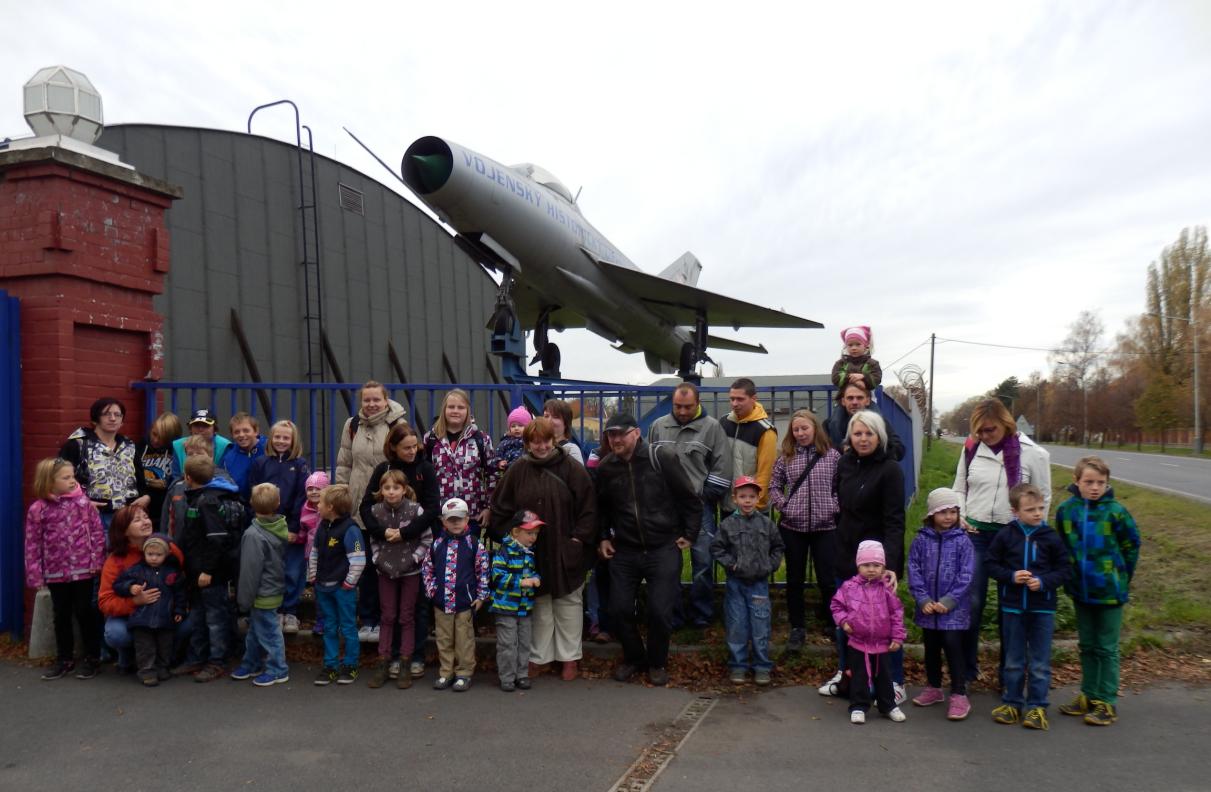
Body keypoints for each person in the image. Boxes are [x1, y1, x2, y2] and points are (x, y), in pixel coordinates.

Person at [596, 413, 702, 687]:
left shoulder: (661, 458)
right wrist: (603, 537)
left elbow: (689, 498)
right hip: (626, 550)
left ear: (637, 433)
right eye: (611, 435)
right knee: (618, 609)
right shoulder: (607, 468)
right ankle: (634, 658)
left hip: (662, 547)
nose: (615, 439)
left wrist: (689, 534)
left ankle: (656, 663)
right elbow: (601, 508)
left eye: (621, 433)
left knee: (659, 610)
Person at [488, 417, 597, 681]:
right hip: (529, 550)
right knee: (539, 603)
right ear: (527, 443)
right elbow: (500, 507)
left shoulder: (572, 468)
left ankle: (570, 657)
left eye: (546, 440)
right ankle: (539, 656)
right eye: (535, 442)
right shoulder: (518, 470)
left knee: (568, 602)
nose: (541, 446)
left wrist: (578, 541)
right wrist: (510, 541)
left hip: (564, 545)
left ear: (554, 440)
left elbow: (589, 508)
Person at [953, 398, 1051, 685]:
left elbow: (1042, 498)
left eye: (990, 430)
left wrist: (1034, 533)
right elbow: (959, 487)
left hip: (1014, 538)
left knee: (1011, 608)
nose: (984, 436)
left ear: (1006, 424)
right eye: (979, 431)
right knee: (971, 603)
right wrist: (961, 513)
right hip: (976, 535)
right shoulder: (971, 448)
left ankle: (1009, 673)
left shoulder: (1033, 454)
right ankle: (967, 671)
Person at [1054, 456, 1141, 727]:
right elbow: (1062, 546)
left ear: (1107, 483)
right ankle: (1088, 694)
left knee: (1106, 648)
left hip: (1110, 592)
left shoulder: (1116, 511)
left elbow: (1131, 546)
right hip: (1080, 591)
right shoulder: (1066, 511)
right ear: (1076, 481)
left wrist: (1120, 577)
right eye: (1089, 482)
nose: (1095, 487)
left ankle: (1107, 701)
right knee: (1088, 646)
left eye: (1100, 483)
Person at [827, 410, 906, 704]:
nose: (862, 439)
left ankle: (894, 681)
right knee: (846, 622)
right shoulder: (845, 464)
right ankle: (849, 676)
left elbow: (895, 521)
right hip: (847, 556)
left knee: (882, 624)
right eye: (857, 433)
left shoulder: (890, 470)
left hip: (877, 563)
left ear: (880, 436)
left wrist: (891, 566)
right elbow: (842, 508)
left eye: (868, 433)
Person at [647, 381, 732, 628]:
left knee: (703, 561)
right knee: (667, 563)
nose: (682, 411)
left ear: (697, 404)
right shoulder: (658, 426)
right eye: (678, 406)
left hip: (699, 506)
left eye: (687, 406)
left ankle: (701, 614)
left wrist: (701, 498)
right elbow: (649, 462)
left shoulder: (712, 428)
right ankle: (672, 615)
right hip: (665, 507)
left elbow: (721, 469)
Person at [987, 483, 1071, 731]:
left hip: (1042, 609)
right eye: (1030, 509)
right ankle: (1012, 703)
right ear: (1015, 511)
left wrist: (1044, 582)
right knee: (1013, 659)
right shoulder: (1006, 535)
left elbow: (1065, 570)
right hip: (1012, 607)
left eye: (1041, 508)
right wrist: (1011, 576)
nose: (1037, 513)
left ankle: (1037, 707)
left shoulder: (1051, 537)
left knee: (1040, 662)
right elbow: (991, 564)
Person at [360, 423, 439, 678]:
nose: (412, 451)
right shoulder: (384, 470)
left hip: (413, 551)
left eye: (414, 446)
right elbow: (366, 507)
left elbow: (431, 508)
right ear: (393, 447)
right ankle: (390, 656)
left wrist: (405, 532)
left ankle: (413, 655)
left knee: (415, 609)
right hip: (386, 553)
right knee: (390, 611)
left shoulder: (425, 469)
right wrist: (381, 533)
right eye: (406, 448)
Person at [336, 380, 408, 643]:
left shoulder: (396, 424)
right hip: (358, 504)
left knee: (389, 564)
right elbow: (344, 461)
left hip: (387, 501)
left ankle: (392, 620)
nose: (371, 404)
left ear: (386, 400)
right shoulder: (352, 425)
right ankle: (368, 620)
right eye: (366, 400)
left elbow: (405, 461)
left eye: (376, 399)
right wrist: (343, 492)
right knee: (363, 564)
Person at [24, 457, 106, 680]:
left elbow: (97, 533)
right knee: (60, 614)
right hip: (55, 571)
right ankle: (64, 658)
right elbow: (32, 543)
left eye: (73, 476)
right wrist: (35, 573)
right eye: (66, 477)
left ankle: (92, 657)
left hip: (83, 569)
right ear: (49, 482)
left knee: (84, 612)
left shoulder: (83, 503)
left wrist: (96, 561)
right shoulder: (38, 509)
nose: (72, 481)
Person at [768, 409, 840, 650]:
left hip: (825, 526)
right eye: (796, 430)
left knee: (827, 579)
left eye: (804, 428)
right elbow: (774, 486)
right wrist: (784, 506)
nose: (800, 433)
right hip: (793, 527)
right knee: (794, 580)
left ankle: (832, 623)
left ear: (814, 428)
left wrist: (834, 506)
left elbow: (841, 485)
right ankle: (797, 627)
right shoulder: (786, 457)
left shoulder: (831, 456)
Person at [907, 487, 975, 720]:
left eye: (953, 511)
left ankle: (959, 693)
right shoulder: (920, 540)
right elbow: (913, 569)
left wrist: (950, 600)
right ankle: (934, 687)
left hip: (953, 610)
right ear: (932, 514)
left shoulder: (963, 541)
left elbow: (966, 574)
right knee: (931, 648)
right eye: (943, 512)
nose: (948, 517)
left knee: (953, 648)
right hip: (928, 608)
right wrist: (922, 598)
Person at [99, 505, 189, 676]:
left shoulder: (168, 548)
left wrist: (179, 607)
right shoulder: (116, 560)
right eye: (137, 520)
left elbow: (181, 578)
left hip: (165, 612)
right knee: (116, 633)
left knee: (190, 623)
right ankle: (127, 657)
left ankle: (168, 659)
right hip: (134, 617)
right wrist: (134, 602)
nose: (145, 522)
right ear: (124, 530)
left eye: (146, 517)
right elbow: (105, 602)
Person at [711, 476, 783, 686]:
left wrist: (769, 566)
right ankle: (738, 665)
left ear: (758, 498)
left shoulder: (766, 523)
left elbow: (778, 547)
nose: (747, 501)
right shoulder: (727, 524)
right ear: (735, 499)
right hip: (736, 583)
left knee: (761, 626)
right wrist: (731, 564)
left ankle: (762, 666)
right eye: (743, 496)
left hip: (759, 583)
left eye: (752, 496)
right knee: (737, 626)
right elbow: (716, 548)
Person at [179, 456, 244, 683]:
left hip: (211, 574)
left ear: (188, 478)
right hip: (197, 572)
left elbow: (216, 540)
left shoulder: (207, 502)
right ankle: (197, 656)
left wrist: (207, 570)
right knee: (198, 615)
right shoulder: (199, 498)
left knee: (215, 618)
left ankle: (218, 660)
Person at [365, 470, 431, 690]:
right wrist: (377, 559)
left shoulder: (415, 510)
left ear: (404, 489)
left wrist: (414, 558)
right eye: (387, 488)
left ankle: (405, 661)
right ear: (381, 490)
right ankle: (383, 661)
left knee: (406, 616)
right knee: (387, 615)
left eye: (396, 488)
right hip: (385, 571)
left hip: (411, 572)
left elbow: (427, 539)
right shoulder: (375, 511)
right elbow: (373, 540)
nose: (391, 492)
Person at [830, 541, 907, 725]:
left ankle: (888, 705)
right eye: (866, 565)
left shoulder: (887, 589)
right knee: (859, 676)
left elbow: (896, 613)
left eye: (876, 565)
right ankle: (858, 706)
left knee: (885, 677)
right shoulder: (849, 587)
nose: (871, 569)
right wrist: (843, 621)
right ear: (858, 565)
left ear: (883, 567)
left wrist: (897, 636)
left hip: (882, 643)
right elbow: (836, 605)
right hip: (858, 642)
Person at [249, 420, 311, 634]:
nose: (281, 441)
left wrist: (294, 527)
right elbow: (254, 493)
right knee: (272, 571)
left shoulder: (300, 464)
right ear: (270, 438)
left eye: (286, 437)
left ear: (293, 440)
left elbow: (302, 497)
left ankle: (291, 611)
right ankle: (275, 610)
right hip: (265, 527)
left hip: (290, 529)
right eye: (277, 437)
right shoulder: (260, 463)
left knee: (293, 571)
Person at [421, 498, 489, 692]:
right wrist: (432, 591)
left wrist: (481, 595)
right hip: (442, 602)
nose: (456, 523)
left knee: (464, 639)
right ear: (443, 521)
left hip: (464, 602)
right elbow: (427, 570)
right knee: (444, 638)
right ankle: (446, 672)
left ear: (467, 519)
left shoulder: (474, 545)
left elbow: (483, 571)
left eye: (459, 518)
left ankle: (464, 673)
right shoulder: (437, 545)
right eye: (451, 519)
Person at [231, 483, 290, 687]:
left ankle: (278, 669)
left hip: (262, 592)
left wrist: (243, 600)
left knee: (269, 632)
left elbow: (250, 571)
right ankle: (252, 662)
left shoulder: (253, 535)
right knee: (257, 630)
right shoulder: (280, 526)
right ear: (278, 503)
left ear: (251, 504)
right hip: (272, 587)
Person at [309, 484, 366, 686]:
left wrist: (348, 584)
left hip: (343, 589)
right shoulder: (322, 527)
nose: (317, 506)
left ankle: (350, 665)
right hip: (323, 586)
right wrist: (314, 576)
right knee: (330, 627)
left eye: (321, 503)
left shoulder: (351, 530)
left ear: (331, 507)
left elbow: (358, 560)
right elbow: (314, 552)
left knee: (348, 627)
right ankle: (330, 665)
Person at [59, 397, 149, 525]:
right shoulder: (77, 445)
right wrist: (81, 502)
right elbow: (57, 480)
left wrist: (146, 497)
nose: (113, 418)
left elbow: (140, 480)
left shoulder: (129, 446)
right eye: (107, 414)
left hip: (127, 515)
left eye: (117, 415)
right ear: (96, 419)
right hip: (91, 514)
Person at [112, 534, 186, 686]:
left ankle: (162, 667)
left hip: (165, 616)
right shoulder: (137, 570)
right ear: (144, 554)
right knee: (145, 647)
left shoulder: (172, 572)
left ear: (166, 555)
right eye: (150, 554)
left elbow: (180, 593)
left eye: (158, 555)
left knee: (165, 645)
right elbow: (118, 584)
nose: (153, 558)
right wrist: (131, 588)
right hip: (142, 618)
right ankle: (146, 671)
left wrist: (179, 610)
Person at [423, 389, 496, 533]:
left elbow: (492, 475)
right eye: (451, 407)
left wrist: (489, 508)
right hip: (440, 514)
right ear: (444, 409)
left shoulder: (481, 439)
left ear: (468, 411)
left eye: (461, 407)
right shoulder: (430, 439)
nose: (455, 411)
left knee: (468, 554)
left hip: (471, 513)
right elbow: (424, 477)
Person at [491, 510, 543, 692]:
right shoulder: (503, 551)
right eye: (529, 533)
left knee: (524, 642)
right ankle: (507, 677)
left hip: (525, 607)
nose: (533, 538)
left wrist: (535, 577)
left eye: (536, 534)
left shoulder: (529, 553)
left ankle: (521, 675)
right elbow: (497, 577)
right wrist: (521, 582)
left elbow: (530, 573)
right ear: (515, 532)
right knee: (507, 644)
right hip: (506, 607)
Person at [719, 378, 777, 513]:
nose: (735, 403)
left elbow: (766, 473)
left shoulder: (765, 430)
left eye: (740, 399)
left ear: (754, 398)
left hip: (753, 509)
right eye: (732, 399)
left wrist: (755, 506)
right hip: (727, 504)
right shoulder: (723, 422)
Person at [824, 381, 906, 461]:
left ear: (867, 401)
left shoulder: (880, 423)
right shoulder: (829, 425)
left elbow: (898, 451)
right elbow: (821, 449)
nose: (855, 402)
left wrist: (870, 450)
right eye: (850, 398)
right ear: (843, 401)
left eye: (860, 398)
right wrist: (842, 449)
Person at [137, 412, 182, 525]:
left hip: (165, 509)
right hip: (142, 508)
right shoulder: (140, 447)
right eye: (154, 434)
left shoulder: (177, 451)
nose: (156, 440)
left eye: (162, 438)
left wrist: (167, 483)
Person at [300, 471, 329, 635]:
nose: (314, 492)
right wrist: (298, 538)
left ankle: (333, 620)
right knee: (318, 590)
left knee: (332, 590)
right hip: (312, 557)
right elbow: (303, 531)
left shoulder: (331, 509)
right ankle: (321, 621)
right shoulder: (304, 509)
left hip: (331, 556)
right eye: (310, 489)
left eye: (318, 488)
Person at [171, 409, 232, 477]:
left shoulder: (224, 446)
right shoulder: (178, 445)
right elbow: (175, 477)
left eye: (206, 425)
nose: (200, 429)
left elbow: (224, 476)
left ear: (214, 429)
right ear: (190, 429)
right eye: (196, 425)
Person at [221, 412, 267, 501]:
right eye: (236, 432)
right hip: (241, 509)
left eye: (246, 430)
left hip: (268, 507)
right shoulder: (228, 458)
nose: (241, 435)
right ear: (232, 435)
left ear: (256, 431)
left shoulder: (269, 449)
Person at [831, 325, 882, 392]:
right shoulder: (840, 363)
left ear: (866, 346)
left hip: (867, 398)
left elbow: (876, 379)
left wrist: (863, 376)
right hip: (845, 398)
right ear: (846, 346)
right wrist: (854, 378)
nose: (854, 348)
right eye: (850, 345)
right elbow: (836, 379)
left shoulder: (873, 363)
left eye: (858, 344)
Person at [543, 398, 584, 464]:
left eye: (555, 417)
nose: (549, 421)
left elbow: (578, 474)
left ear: (566, 423)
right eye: (546, 416)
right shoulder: (538, 447)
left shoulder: (571, 450)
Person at [495, 406, 531, 474]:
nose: (516, 428)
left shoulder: (530, 442)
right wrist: (499, 462)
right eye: (513, 426)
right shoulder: (505, 442)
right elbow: (497, 455)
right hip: (509, 473)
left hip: (526, 473)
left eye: (520, 425)